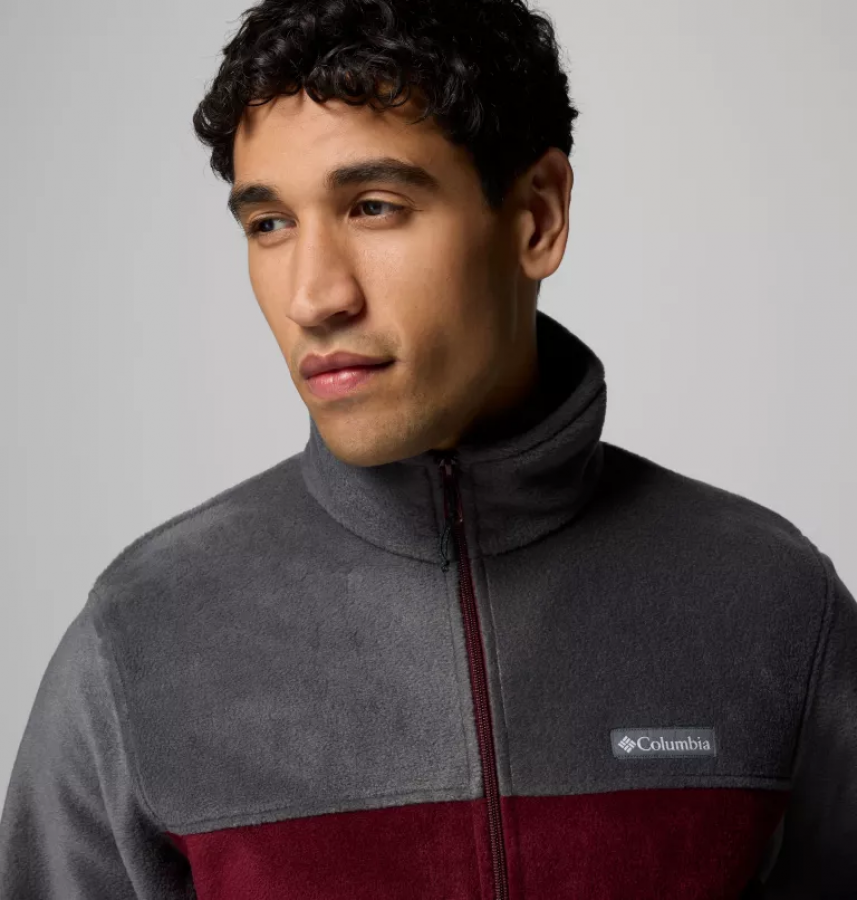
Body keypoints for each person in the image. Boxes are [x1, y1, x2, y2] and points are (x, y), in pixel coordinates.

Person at [1, 0, 855, 896]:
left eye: (373, 207)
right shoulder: (141, 636)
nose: (313, 297)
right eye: (269, 224)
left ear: (536, 217)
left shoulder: (774, 606)